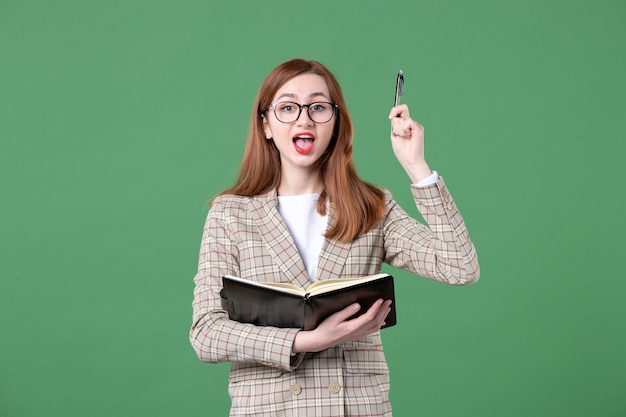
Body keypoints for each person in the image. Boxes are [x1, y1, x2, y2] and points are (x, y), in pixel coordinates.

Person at [190, 58, 480, 416]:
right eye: (288, 107)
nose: (304, 118)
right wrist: (304, 341)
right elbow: (206, 333)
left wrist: (416, 167)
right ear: (265, 125)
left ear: (335, 122)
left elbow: (460, 267)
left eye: (318, 107)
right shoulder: (231, 213)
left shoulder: (371, 206)